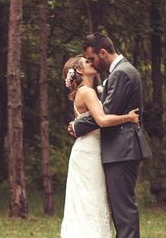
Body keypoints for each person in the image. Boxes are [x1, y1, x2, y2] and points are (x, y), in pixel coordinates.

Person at [70, 33, 152, 238]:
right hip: (120, 148)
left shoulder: (121, 73)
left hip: (122, 149)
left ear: (103, 52)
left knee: (123, 211)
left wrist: (77, 125)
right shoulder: (120, 72)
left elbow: (105, 114)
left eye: (92, 59)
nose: (91, 63)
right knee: (120, 209)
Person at [60, 55, 140, 238]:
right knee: (90, 200)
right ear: (80, 70)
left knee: (92, 200)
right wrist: (128, 117)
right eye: (87, 62)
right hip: (89, 152)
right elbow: (102, 120)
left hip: (90, 149)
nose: (92, 62)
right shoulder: (87, 92)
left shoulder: (90, 90)